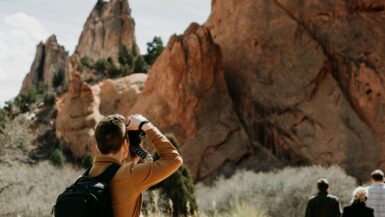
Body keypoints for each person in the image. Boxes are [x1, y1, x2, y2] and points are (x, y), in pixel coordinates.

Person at [89, 114, 183, 217]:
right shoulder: (129, 175)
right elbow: (174, 159)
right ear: (125, 144)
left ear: (97, 147)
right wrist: (146, 125)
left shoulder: (86, 176)